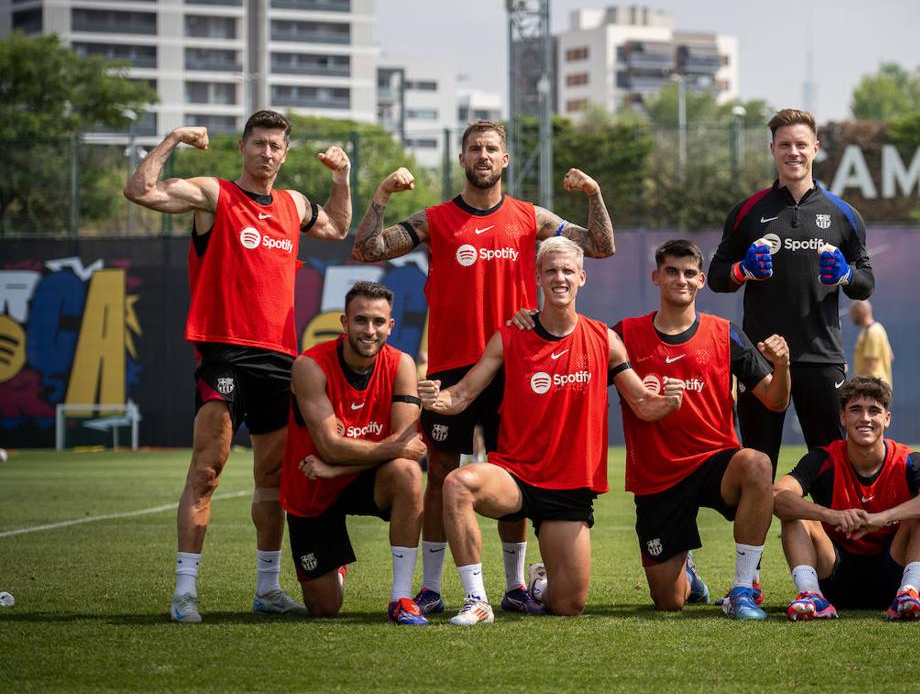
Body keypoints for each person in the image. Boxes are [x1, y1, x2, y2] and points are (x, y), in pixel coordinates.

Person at [352, 120, 615, 616]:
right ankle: (430, 587)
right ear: (462, 159)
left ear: (505, 160)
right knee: (441, 476)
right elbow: (368, 248)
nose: (483, 155)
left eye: (492, 148)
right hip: (452, 369)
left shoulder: (528, 217)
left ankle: (514, 584)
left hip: (515, 366)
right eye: (475, 148)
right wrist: (383, 194)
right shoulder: (436, 219)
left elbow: (599, 246)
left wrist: (594, 195)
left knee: (509, 472)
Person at [123, 111, 352, 624]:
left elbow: (337, 227)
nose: (266, 153)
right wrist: (175, 138)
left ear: (284, 154)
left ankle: (267, 589)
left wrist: (341, 178)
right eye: (258, 144)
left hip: (278, 360)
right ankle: (185, 591)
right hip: (224, 353)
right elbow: (140, 190)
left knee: (271, 479)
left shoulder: (293, 204)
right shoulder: (214, 194)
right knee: (207, 469)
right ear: (243, 147)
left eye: (275, 146)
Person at [417, 237, 683, 625]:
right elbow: (461, 395)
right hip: (515, 476)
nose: (560, 278)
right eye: (551, 271)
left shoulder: (604, 340)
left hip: (569, 489)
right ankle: (477, 600)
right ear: (538, 278)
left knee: (569, 604)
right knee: (457, 483)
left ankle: (539, 583)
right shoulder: (509, 337)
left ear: (582, 277)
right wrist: (435, 399)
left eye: (567, 271)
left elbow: (643, 402)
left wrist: (669, 402)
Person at [615, 239, 790, 619]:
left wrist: (783, 367)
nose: (681, 279)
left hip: (714, 462)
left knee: (757, 464)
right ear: (656, 277)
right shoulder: (624, 335)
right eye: (672, 272)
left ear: (701, 281)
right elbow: (577, 352)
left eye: (689, 273)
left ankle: (743, 589)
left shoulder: (726, 333)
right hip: (657, 476)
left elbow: (775, 402)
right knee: (669, 602)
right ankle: (687, 574)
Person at [709, 109, 875, 475]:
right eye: (785, 145)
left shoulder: (843, 214)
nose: (793, 152)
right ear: (772, 150)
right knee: (757, 463)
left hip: (821, 356)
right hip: (760, 359)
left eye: (801, 144)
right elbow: (716, 276)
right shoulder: (747, 212)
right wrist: (743, 270)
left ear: (815, 148)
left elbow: (866, 282)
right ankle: (751, 537)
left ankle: (830, 534)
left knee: (831, 463)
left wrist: (846, 275)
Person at [282, 282, 427, 623]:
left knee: (406, 475)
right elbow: (330, 447)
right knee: (324, 608)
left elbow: (407, 457)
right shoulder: (309, 366)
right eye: (361, 320)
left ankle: (401, 598)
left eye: (379, 322)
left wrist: (336, 467)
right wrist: (388, 448)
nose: (370, 330)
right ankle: (337, 569)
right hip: (313, 487)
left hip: (352, 475)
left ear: (390, 326)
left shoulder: (401, 365)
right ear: (345, 323)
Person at [773, 376, 920, 622]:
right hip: (834, 576)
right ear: (842, 417)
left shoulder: (908, 460)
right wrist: (830, 515)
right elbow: (777, 496)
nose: (865, 418)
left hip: (893, 576)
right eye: (856, 410)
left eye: (874, 411)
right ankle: (811, 595)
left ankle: (909, 593)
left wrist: (883, 518)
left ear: (886, 419)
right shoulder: (823, 459)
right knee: (795, 514)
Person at [849, 300, 893, 389]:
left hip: (873, 389)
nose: (851, 316)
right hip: (877, 386)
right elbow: (890, 356)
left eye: (853, 312)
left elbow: (870, 364)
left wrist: (858, 386)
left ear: (860, 312)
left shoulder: (873, 332)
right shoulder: (877, 328)